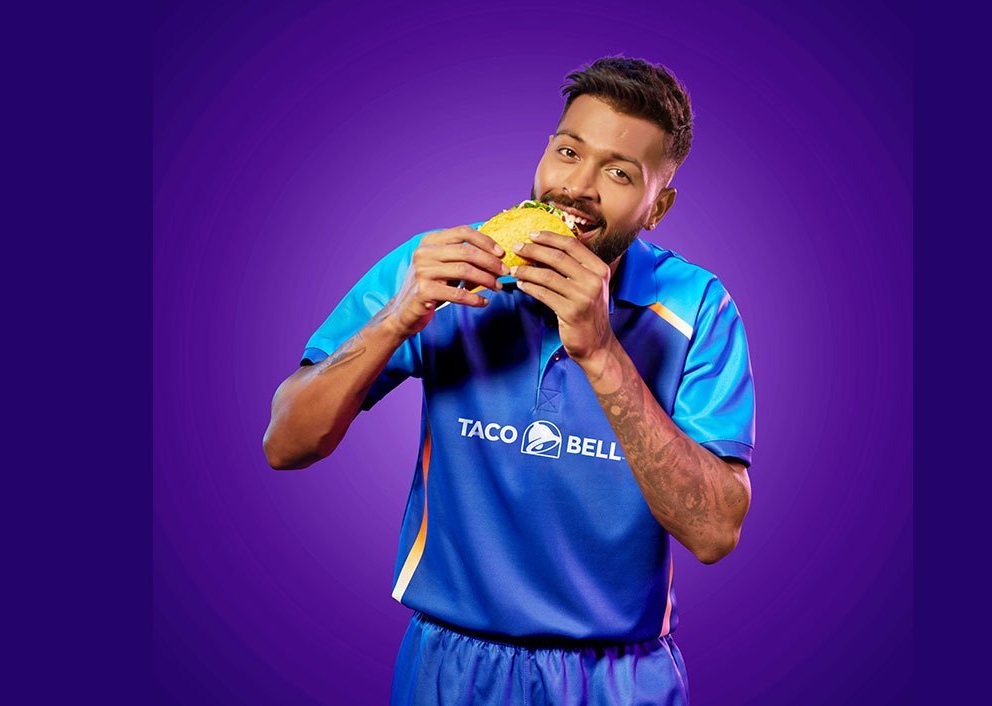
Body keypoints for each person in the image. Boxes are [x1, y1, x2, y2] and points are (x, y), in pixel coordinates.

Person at [263, 56, 755, 706]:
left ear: (656, 207)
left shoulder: (699, 308)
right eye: (568, 152)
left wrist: (601, 352)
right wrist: (397, 317)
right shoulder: (439, 266)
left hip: (617, 677)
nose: (577, 186)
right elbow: (285, 444)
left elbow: (715, 533)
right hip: (449, 667)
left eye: (618, 172)